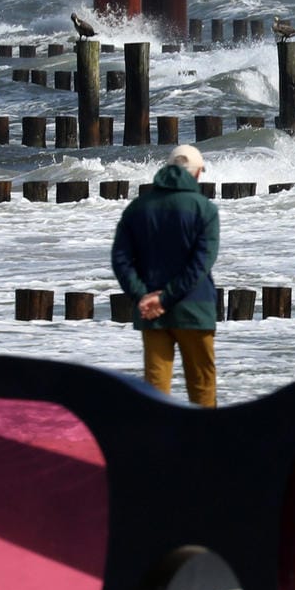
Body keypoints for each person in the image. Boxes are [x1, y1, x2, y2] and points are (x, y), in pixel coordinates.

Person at [111, 145, 221, 406]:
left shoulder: (137, 208)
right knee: (202, 387)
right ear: (196, 175)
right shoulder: (204, 208)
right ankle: (207, 445)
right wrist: (167, 298)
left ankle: (158, 445)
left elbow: (121, 260)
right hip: (195, 310)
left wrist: (144, 297)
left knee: (156, 390)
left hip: (150, 312)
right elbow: (201, 263)